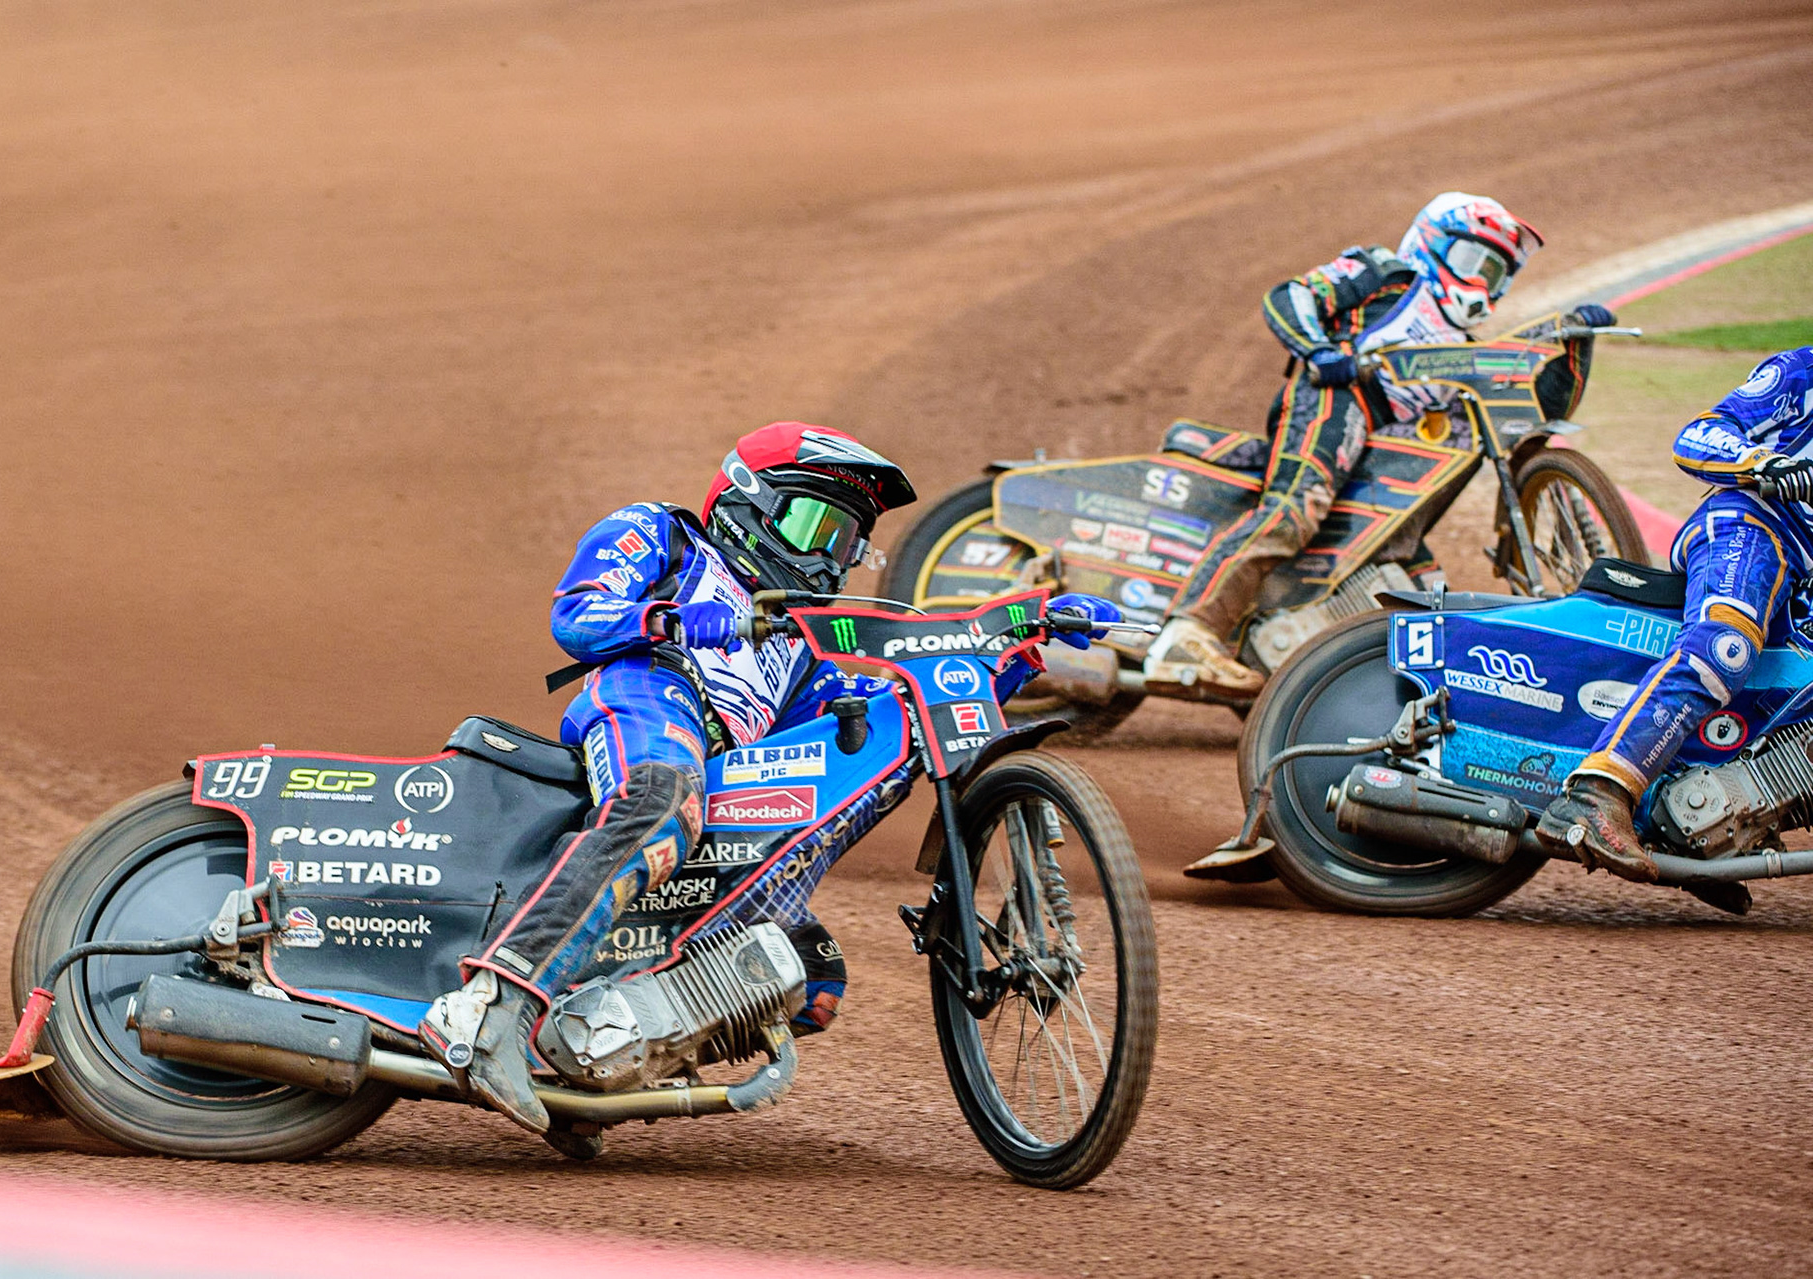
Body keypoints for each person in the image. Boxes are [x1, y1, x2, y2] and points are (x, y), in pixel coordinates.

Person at [418, 421, 1122, 1135]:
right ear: (750, 501)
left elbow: (881, 713)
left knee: (810, 976)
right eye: (813, 525)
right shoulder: (665, 535)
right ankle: (488, 1007)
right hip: (651, 696)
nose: (827, 557)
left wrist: (1016, 644)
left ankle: (593, 1068)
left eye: (845, 541)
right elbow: (577, 614)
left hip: (723, 768)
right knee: (662, 803)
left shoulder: (804, 647)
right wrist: (678, 620)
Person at [1151, 191, 1612, 699]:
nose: (1480, 281)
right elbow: (1291, 296)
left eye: (1494, 271)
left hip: (1387, 457)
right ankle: (1188, 633)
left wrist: (1575, 344)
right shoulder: (1384, 274)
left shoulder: (1467, 354)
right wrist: (1319, 351)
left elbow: (1528, 418)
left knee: (1424, 586)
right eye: (1470, 260)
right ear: (1431, 243)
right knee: (1296, 509)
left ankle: (1387, 697)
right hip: (1336, 396)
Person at [1539, 347, 1813, 915]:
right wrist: (1764, 464)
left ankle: (1701, 823)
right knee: (1725, 648)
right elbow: (1700, 433)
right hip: (1755, 527)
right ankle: (1599, 792)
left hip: (1804, 578)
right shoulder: (1803, 373)